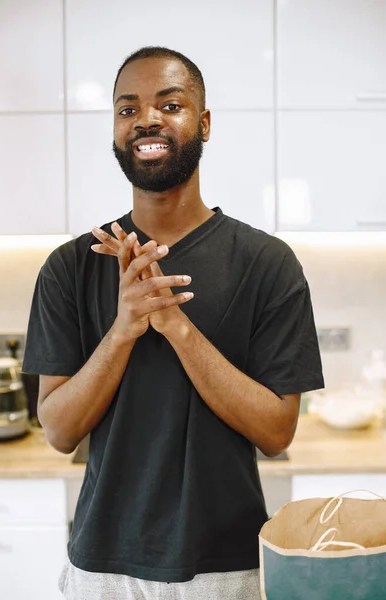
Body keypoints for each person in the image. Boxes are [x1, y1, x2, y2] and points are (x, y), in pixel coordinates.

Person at [23, 46, 324, 600]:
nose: (147, 120)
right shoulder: (69, 266)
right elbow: (59, 430)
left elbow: (277, 432)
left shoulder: (265, 262)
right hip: (101, 570)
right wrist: (124, 328)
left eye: (170, 103)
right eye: (128, 109)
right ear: (116, 131)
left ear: (203, 123)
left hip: (227, 569)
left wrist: (177, 328)